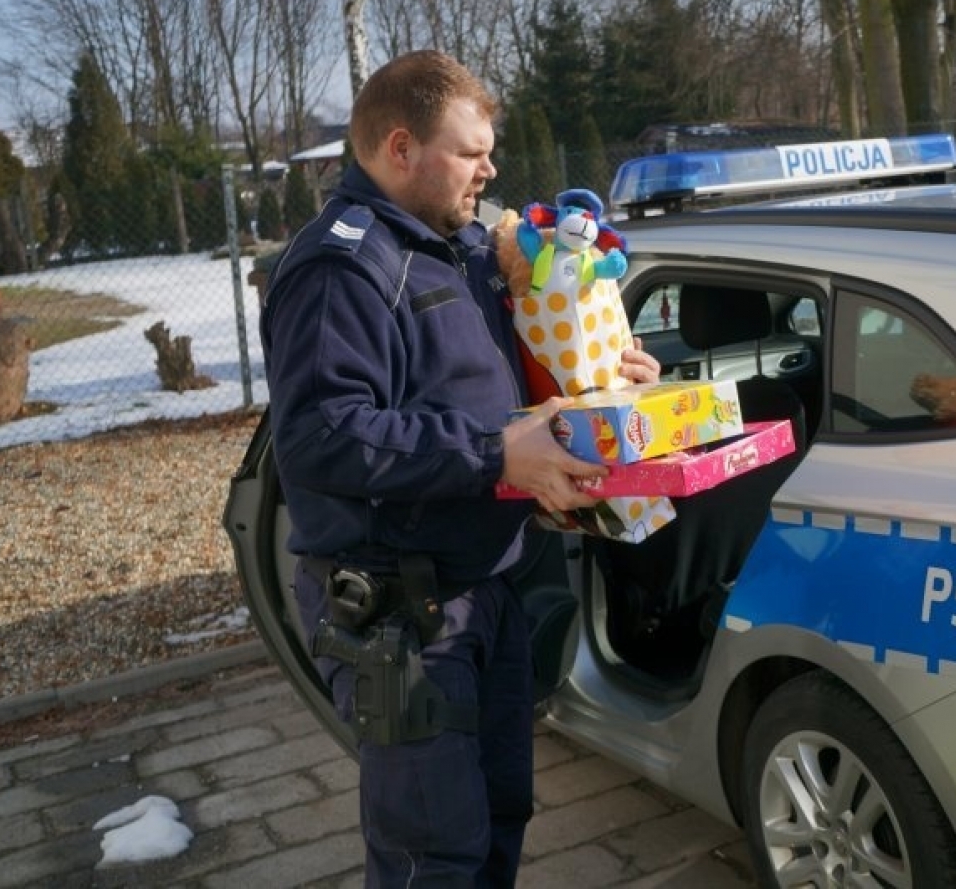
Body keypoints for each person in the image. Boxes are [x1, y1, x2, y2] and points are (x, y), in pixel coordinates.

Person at [259, 49, 659, 886]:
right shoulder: (344, 265)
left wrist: (599, 375)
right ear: (400, 149)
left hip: (488, 588)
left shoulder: (466, 247)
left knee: (498, 823)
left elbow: (497, 386)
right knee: (432, 858)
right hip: (403, 617)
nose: (491, 168)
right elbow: (322, 436)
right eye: (471, 151)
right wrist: (495, 452)